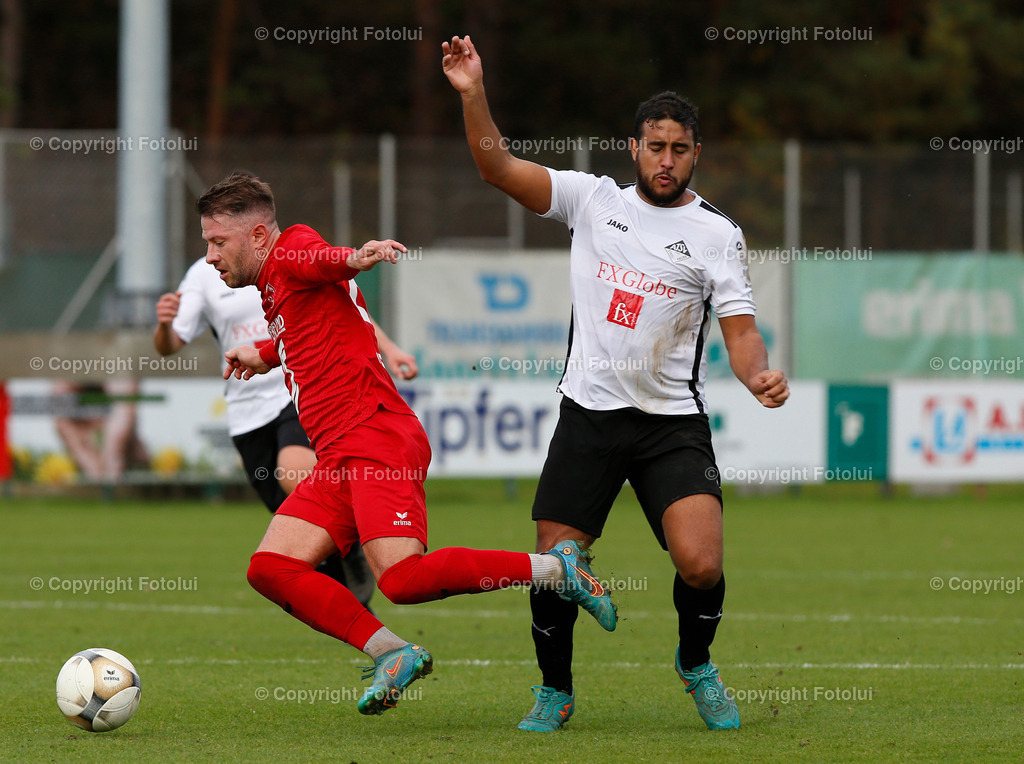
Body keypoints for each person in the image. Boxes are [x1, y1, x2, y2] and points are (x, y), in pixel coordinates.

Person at [442, 35, 790, 732]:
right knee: (550, 564)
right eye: (655, 146)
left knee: (700, 562)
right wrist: (473, 93)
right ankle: (555, 690)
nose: (667, 159)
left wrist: (756, 374)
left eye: (680, 148)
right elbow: (498, 169)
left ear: (697, 155)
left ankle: (696, 663)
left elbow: (741, 329)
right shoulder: (591, 200)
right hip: (590, 417)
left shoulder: (718, 234)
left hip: (670, 424)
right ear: (634, 148)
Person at [199, 171, 618, 717]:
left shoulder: (292, 248)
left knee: (402, 579)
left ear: (256, 236)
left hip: (375, 437)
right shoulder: (275, 285)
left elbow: (320, 260)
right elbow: (318, 322)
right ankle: (392, 652)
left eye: (217, 242)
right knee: (271, 568)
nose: (209, 255)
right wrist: (266, 351)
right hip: (340, 456)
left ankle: (559, 571)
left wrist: (357, 256)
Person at [152, 257, 419, 606]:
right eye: (210, 238)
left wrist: (390, 347)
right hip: (247, 408)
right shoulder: (203, 274)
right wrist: (163, 325)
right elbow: (169, 345)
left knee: (293, 470)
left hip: (298, 387)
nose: (214, 247)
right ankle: (348, 585)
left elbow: (345, 299)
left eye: (220, 235)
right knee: (294, 531)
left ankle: (354, 544)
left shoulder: (288, 259)